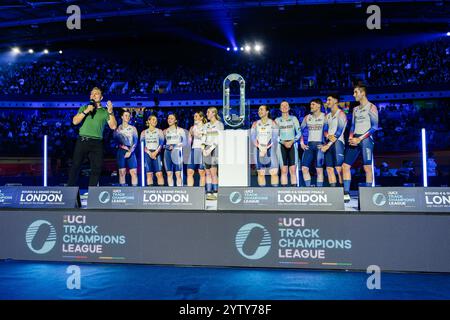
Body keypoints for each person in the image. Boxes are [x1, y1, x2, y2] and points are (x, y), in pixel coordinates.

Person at [68, 87, 117, 187]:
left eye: (96, 93)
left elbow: (113, 126)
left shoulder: (104, 111)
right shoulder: (84, 108)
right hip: (83, 140)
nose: (93, 95)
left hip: (97, 143)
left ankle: (92, 193)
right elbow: (75, 121)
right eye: (92, 94)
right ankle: (69, 191)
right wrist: (86, 111)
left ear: (101, 97)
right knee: (76, 166)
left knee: (96, 168)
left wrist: (111, 111)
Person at [342, 84, 378, 202]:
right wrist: (351, 137)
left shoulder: (372, 107)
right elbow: (352, 126)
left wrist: (360, 139)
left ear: (363, 93)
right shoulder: (355, 109)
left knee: (367, 167)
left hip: (366, 139)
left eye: (356, 92)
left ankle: (368, 195)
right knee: (345, 166)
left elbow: (374, 127)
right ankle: (346, 194)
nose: (353, 95)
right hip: (355, 139)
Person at [321, 94, 347, 187]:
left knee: (338, 168)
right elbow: (324, 130)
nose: (327, 102)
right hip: (329, 143)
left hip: (338, 143)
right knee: (329, 168)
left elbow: (339, 131)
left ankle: (343, 191)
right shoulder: (327, 116)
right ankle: (334, 191)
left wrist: (329, 144)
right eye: (327, 100)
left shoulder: (341, 114)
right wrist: (328, 135)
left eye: (329, 100)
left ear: (336, 101)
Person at [250, 105, 279, 187]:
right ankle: (263, 193)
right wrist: (260, 147)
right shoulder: (255, 123)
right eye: (259, 110)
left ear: (267, 112)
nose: (259, 111)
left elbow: (275, 137)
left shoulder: (273, 123)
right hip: (258, 150)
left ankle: (275, 194)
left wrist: (266, 147)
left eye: (261, 110)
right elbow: (253, 137)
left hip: (270, 149)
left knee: (273, 172)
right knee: (261, 173)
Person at [274, 101, 301, 187]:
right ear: (280, 108)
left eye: (286, 105)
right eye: (282, 105)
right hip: (281, 145)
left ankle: (294, 192)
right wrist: (283, 142)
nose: (284, 107)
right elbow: (274, 136)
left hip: (292, 144)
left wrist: (292, 141)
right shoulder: (277, 120)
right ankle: (283, 192)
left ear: (289, 108)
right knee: (284, 170)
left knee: (293, 170)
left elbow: (299, 133)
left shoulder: (294, 119)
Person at [300, 99, 326, 187]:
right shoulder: (307, 117)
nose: (311, 106)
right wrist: (302, 143)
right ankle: (308, 189)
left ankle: (319, 190)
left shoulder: (325, 116)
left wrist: (326, 144)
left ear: (319, 106)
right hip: (309, 146)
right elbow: (300, 130)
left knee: (319, 170)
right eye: (311, 104)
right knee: (304, 168)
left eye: (313, 104)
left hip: (320, 146)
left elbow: (329, 132)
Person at [202, 107, 224, 200]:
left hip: (215, 149)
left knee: (213, 172)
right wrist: (203, 149)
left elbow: (218, 139)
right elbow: (203, 138)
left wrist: (209, 149)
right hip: (206, 149)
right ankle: (208, 192)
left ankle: (215, 193)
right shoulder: (205, 125)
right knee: (207, 172)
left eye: (208, 112)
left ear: (213, 113)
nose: (206, 114)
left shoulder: (219, 124)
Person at [113, 110, 138, 186]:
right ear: (122, 117)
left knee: (133, 172)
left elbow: (135, 141)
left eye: (129, 116)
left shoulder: (133, 128)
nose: (127, 117)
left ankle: (135, 191)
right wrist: (122, 146)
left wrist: (130, 151)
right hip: (121, 152)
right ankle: (123, 192)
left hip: (131, 151)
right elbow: (115, 141)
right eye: (126, 115)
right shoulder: (117, 129)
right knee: (122, 173)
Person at [140, 115, 164, 186]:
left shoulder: (159, 131)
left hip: (157, 154)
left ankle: (161, 191)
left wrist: (155, 152)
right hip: (147, 154)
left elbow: (161, 143)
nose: (155, 121)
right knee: (149, 174)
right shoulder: (143, 132)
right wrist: (150, 153)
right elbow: (142, 145)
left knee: (159, 174)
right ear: (149, 121)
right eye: (153, 119)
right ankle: (149, 191)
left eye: (156, 120)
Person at [163, 113, 186, 186]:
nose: (169, 120)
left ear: (175, 120)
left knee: (178, 173)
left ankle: (179, 190)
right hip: (167, 152)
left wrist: (175, 146)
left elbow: (185, 142)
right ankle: (171, 190)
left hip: (177, 152)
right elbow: (161, 145)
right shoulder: (164, 131)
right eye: (168, 118)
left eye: (172, 118)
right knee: (169, 173)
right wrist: (167, 147)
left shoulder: (180, 130)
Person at [187, 112, 207, 187]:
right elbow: (189, 141)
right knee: (190, 171)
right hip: (194, 150)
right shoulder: (192, 128)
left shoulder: (206, 127)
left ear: (201, 118)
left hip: (202, 150)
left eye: (196, 116)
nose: (194, 117)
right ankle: (190, 190)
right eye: (194, 116)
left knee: (201, 172)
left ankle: (201, 191)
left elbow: (207, 139)